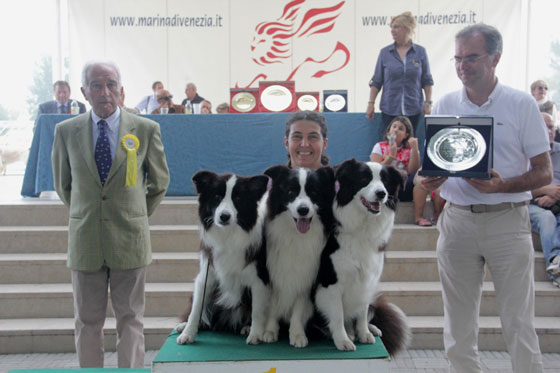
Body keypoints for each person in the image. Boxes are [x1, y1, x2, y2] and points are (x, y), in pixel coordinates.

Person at [420, 24, 551, 372]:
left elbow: (544, 173)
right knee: (458, 325)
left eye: (472, 57)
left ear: (495, 58)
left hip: (507, 220)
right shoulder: (445, 103)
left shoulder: (521, 104)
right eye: (458, 58)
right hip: (457, 220)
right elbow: (433, 164)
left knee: (518, 321)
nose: (463, 65)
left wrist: (502, 185)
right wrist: (430, 179)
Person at [51, 61, 170, 368]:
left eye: (111, 84)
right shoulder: (66, 132)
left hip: (129, 239)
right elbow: (64, 185)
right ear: (84, 92)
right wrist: (88, 213)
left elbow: (159, 182)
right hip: (86, 239)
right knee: (86, 322)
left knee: (130, 320)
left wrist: (135, 216)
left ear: (121, 89)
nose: (104, 92)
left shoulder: (145, 129)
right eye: (96, 85)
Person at [366, 11, 433, 139]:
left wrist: (428, 103)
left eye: (396, 27)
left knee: (410, 144)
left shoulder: (420, 52)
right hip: (389, 109)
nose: (392, 30)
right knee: (390, 144)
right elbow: (377, 81)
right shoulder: (385, 53)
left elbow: (427, 80)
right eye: (391, 27)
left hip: (413, 108)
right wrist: (371, 104)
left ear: (407, 28)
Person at [528, 112, 560, 288]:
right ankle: (556, 262)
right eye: (544, 126)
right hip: (530, 205)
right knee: (547, 219)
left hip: (558, 203)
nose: (548, 131)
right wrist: (544, 191)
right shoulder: (523, 153)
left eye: (551, 127)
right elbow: (514, 189)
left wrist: (553, 196)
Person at [369, 116, 420, 201]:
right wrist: (391, 156)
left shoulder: (410, 150)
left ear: (406, 135)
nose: (396, 130)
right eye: (394, 126)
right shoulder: (379, 146)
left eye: (400, 129)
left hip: (403, 183)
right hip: (384, 180)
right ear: (389, 131)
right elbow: (375, 169)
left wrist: (415, 150)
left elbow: (412, 170)